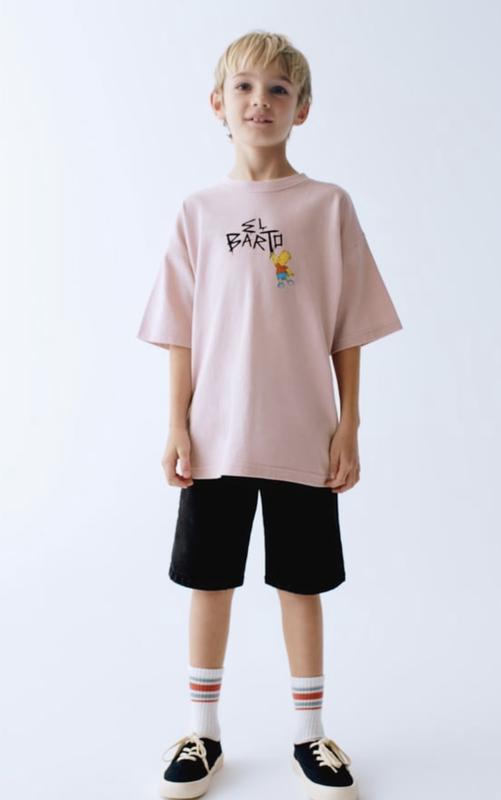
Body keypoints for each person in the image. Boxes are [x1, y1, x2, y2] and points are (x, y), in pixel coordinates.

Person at [137, 29, 403, 800]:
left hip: (302, 436)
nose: (261, 102)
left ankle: (308, 735)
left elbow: (349, 327)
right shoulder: (198, 211)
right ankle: (203, 732)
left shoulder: (326, 207)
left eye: (279, 90)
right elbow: (180, 330)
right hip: (215, 437)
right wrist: (177, 423)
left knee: (301, 584)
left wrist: (348, 425)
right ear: (217, 104)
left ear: (302, 109)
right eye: (245, 88)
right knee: (209, 581)